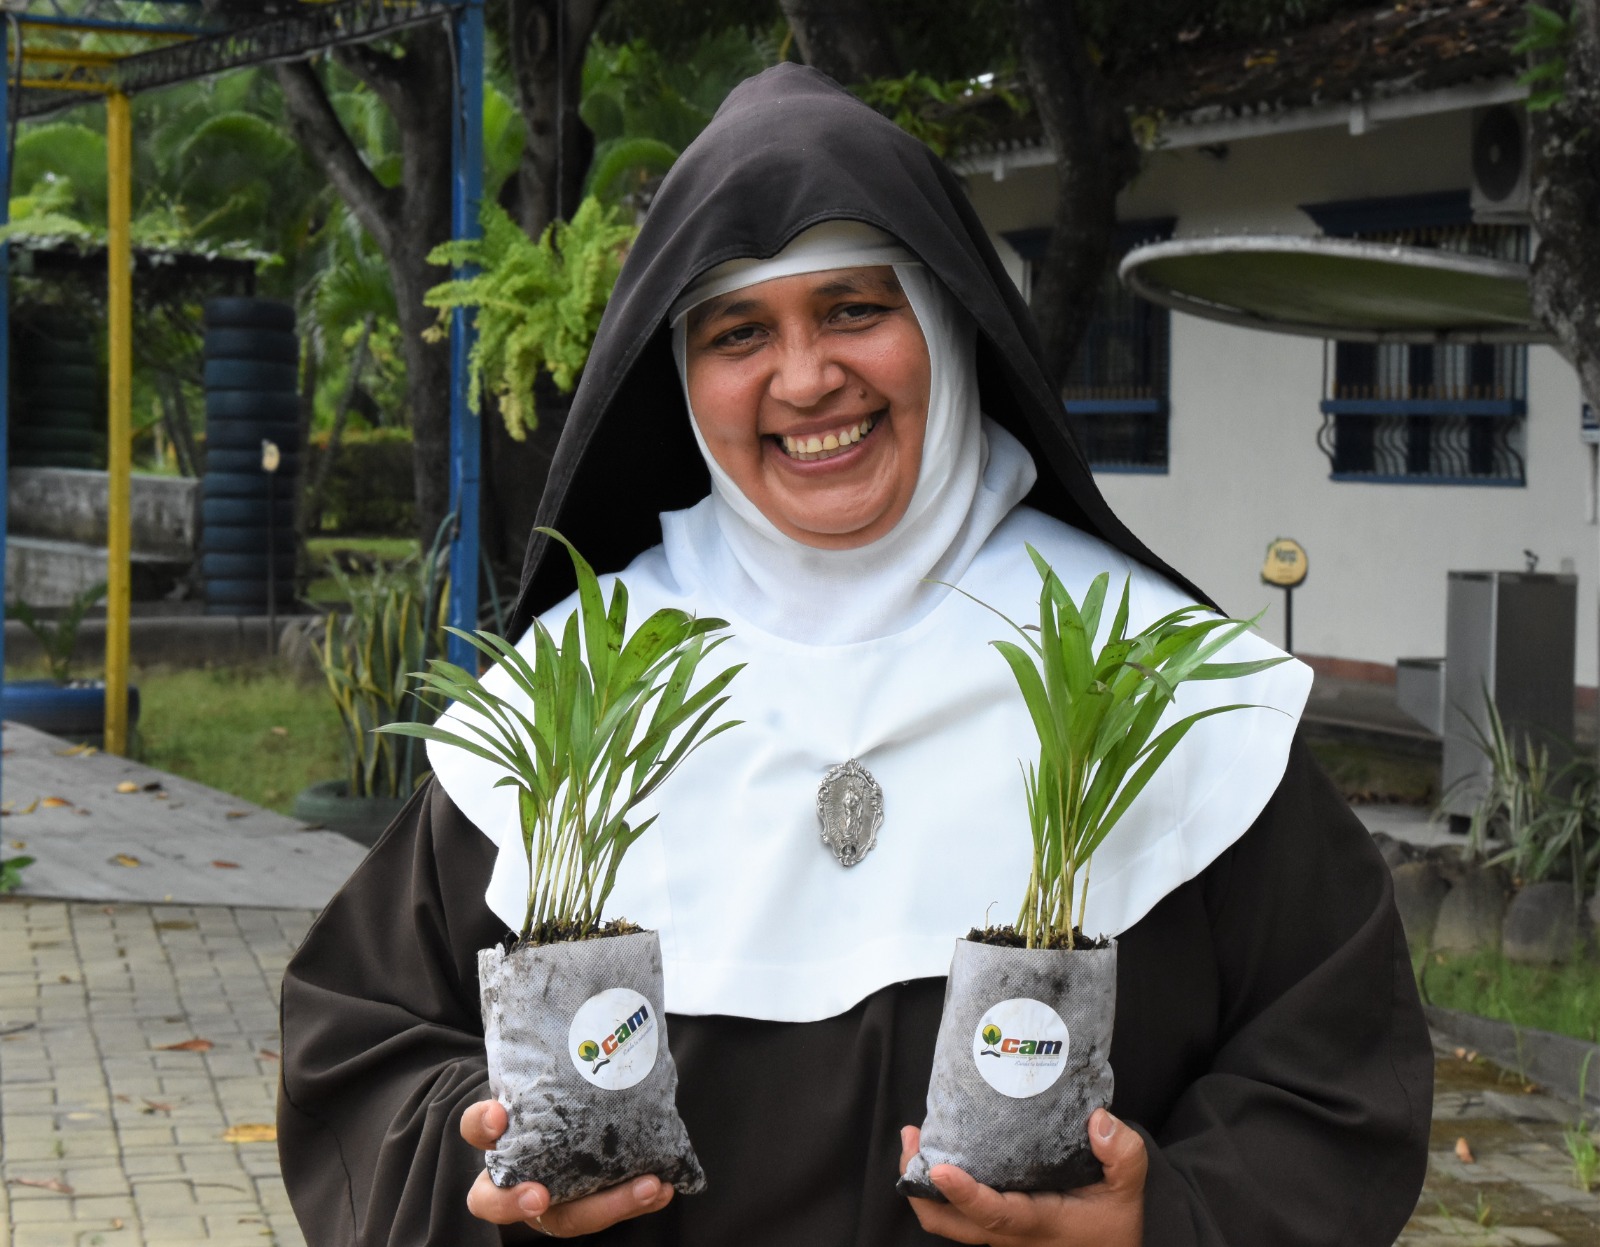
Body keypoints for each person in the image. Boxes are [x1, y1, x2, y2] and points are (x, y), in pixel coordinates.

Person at [278, 64, 1432, 1246]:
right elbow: (358, 1042)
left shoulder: (1149, 666)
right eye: (739, 332)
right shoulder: (579, 677)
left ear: (944, 321)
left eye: (852, 310)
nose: (804, 377)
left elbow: (1331, 1072)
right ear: (683, 379)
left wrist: (1161, 1222)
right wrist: (487, 1168)